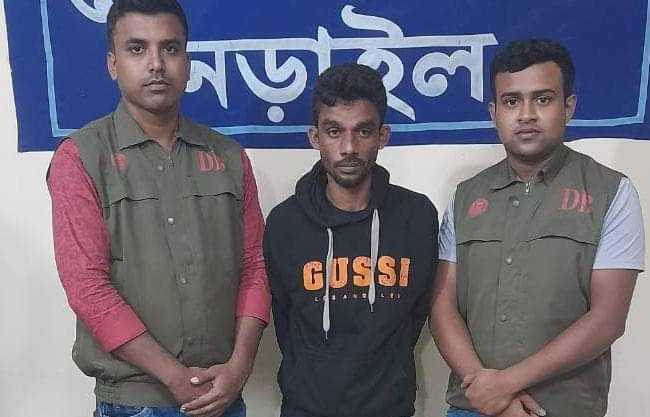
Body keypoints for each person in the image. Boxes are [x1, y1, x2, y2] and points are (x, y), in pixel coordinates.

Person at [47, 1, 270, 416]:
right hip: (133, 404)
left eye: (170, 48)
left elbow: (255, 266)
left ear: (187, 61)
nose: (156, 64)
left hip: (223, 396)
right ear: (113, 64)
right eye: (137, 48)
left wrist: (240, 367)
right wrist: (172, 375)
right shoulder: (81, 158)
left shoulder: (229, 156)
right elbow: (87, 287)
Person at [430, 39, 645, 417]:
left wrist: (506, 385)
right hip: (472, 406)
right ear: (494, 112)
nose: (526, 115)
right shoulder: (466, 196)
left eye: (542, 99)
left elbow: (608, 319)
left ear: (568, 107)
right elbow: (442, 307)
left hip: (562, 409)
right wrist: (487, 389)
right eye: (512, 101)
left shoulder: (612, 192)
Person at [263, 63, 438, 417]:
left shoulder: (418, 217)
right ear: (315, 137)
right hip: (306, 410)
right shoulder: (284, 224)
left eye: (363, 131)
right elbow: (285, 320)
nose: (348, 147)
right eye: (333, 131)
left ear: (382, 136)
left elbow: (418, 312)